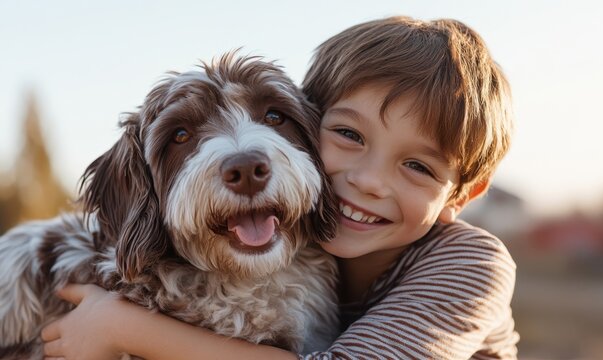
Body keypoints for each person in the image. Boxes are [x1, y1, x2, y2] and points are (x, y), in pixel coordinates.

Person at [42, 16, 519, 359]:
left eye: (417, 165)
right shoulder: (297, 240)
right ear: (311, 123)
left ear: (463, 194)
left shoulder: (470, 264)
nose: (369, 181)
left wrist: (122, 327)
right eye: (349, 136)